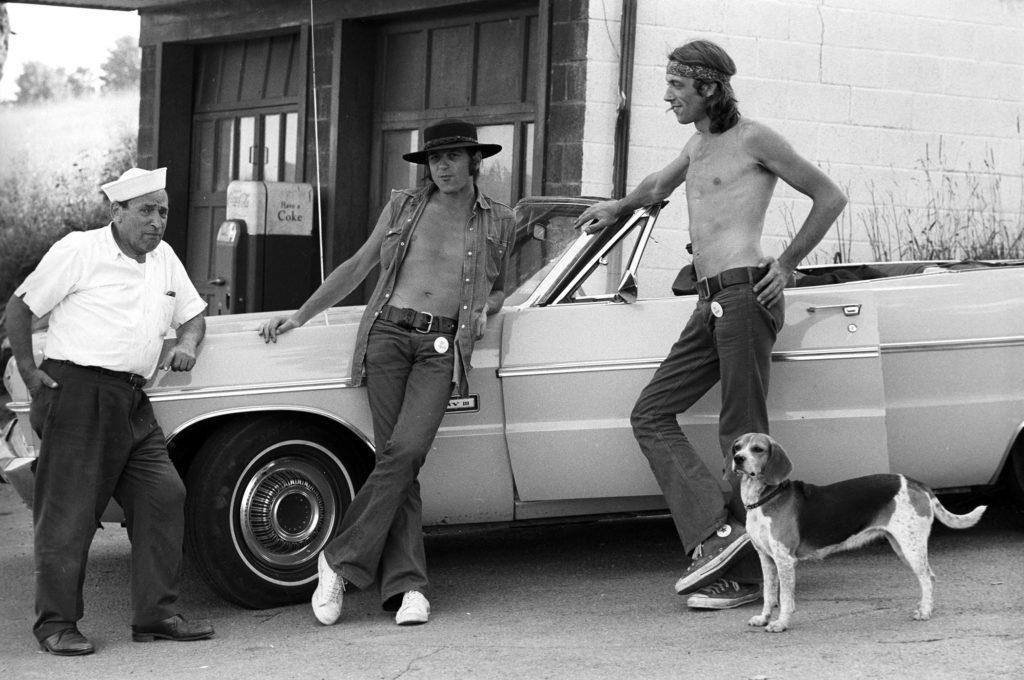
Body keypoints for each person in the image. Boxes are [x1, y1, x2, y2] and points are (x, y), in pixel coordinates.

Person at [574, 39, 847, 610]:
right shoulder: (696, 145)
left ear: (708, 87)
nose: (668, 95)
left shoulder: (755, 139)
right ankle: (719, 537)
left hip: (746, 294)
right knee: (650, 413)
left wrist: (788, 264)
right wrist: (616, 208)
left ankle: (749, 578)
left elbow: (829, 195)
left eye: (677, 85)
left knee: (742, 436)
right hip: (710, 303)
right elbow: (655, 188)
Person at [258, 119, 515, 626]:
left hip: (442, 347)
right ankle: (409, 589)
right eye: (433, 160)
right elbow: (357, 267)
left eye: (452, 158)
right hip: (389, 338)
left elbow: (500, 284)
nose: (441, 167)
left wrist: (488, 304)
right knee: (398, 462)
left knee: (406, 452)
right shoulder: (404, 206)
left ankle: (338, 560)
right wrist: (300, 314)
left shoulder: (500, 220)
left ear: (473, 161)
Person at [5, 167, 214, 655]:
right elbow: (19, 308)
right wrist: (31, 374)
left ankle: (155, 616)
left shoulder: (164, 258)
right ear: (116, 212)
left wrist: (187, 339)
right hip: (79, 393)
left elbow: (195, 312)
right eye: (145, 210)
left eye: (163, 211)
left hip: (133, 399)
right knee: (69, 514)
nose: (157, 221)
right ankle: (56, 625)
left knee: (164, 495)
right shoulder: (80, 249)